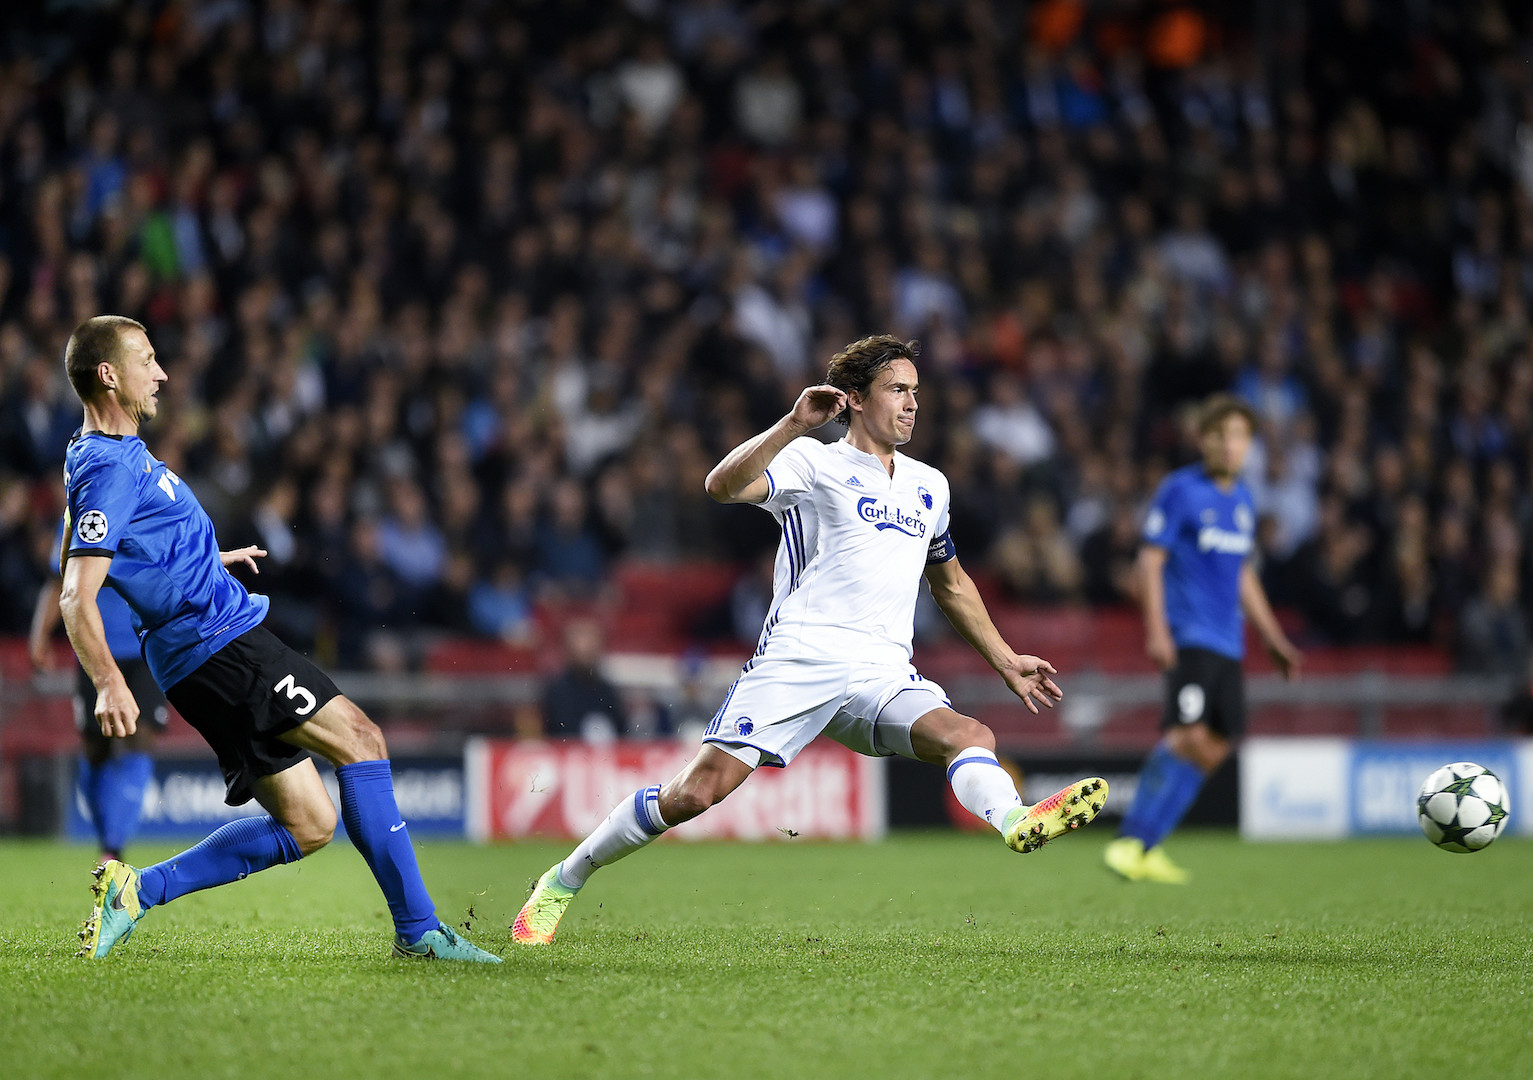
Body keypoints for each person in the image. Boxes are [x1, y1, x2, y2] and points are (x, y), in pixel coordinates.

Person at [512, 334, 1107, 945]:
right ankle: (564, 877)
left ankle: (1014, 821)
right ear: (854, 398)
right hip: (802, 656)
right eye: (897, 390)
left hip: (882, 669)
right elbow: (721, 486)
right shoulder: (813, 461)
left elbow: (951, 583)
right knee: (695, 793)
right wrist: (793, 424)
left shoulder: (931, 486)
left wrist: (1005, 659)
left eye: (915, 392)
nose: (912, 405)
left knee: (968, 735)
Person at [58, 315, 498, 962]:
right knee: (362, 739)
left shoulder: (108, 454)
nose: (162, 373)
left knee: (311, 823)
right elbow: (76, 592)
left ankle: (136, 892)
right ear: (108, 375)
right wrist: (106, 680)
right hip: (221, 648)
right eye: (147, 359)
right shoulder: (107, 467)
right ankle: (420, 931)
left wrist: (205, 561)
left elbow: (136, 547)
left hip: (200, 653)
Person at [1104, 395, 1302, 884]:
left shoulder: (1244, 501)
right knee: (1186, 736)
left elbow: (1243, 576)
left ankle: (1147, 847)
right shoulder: (1180, 490)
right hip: (1189, 636)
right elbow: (1150, 562)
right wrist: (1157, 629)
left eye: (1238, 436)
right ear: (1203, 440)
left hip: (1229, 644)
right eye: (1219, 434)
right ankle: (1129, 840)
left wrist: (1273, 638)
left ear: (1249, 445)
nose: (1229, 444)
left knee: (1214, 747)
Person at [30, 528, 171, 864]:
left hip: (147, 647)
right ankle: (107, 839)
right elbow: (58, 580)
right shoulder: (83, 518)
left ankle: (113, 847)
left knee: (141, 735)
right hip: (93, 648)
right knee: (97, 748)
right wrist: (40, 636)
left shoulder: (153, 511)